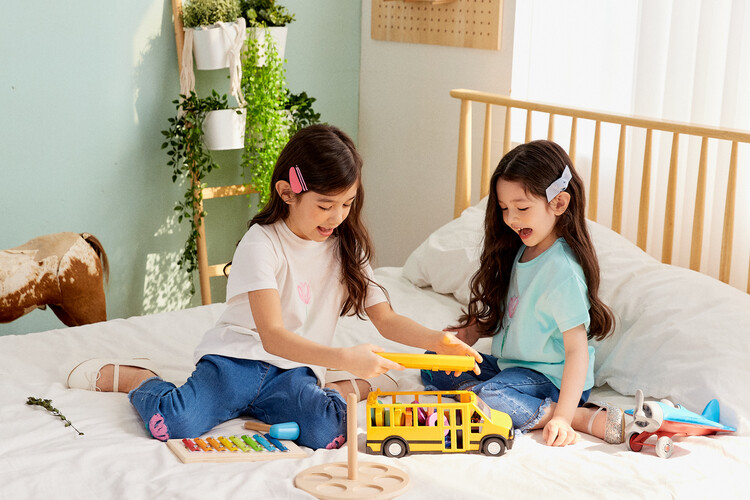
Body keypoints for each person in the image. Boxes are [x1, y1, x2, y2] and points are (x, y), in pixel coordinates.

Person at [67, 124, 481, 450]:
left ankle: (345, 384)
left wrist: (438, 342)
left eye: (347, 203)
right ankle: (141, 378)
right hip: (236, 360)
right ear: (287, 192)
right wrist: (344, 357)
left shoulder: (347, 247)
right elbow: (272, 336)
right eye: (325, 205)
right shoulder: (261, 243)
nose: (337, 216)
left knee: (329, 433)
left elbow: (386, 319)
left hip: (295, 371)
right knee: (172, 423)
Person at [421, 140, 622, 447]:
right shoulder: (522, 250)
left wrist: (563, 417)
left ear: (559, 203)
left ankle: (578, 416)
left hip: (553, 380)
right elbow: (512, 313)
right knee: (434, 362)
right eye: (504, 209)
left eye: (522, 208)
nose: (511, 219)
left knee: (492, 395)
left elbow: (577, 352)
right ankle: (486, 397)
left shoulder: (562, 271)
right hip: (512, 369)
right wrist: (469, 334)